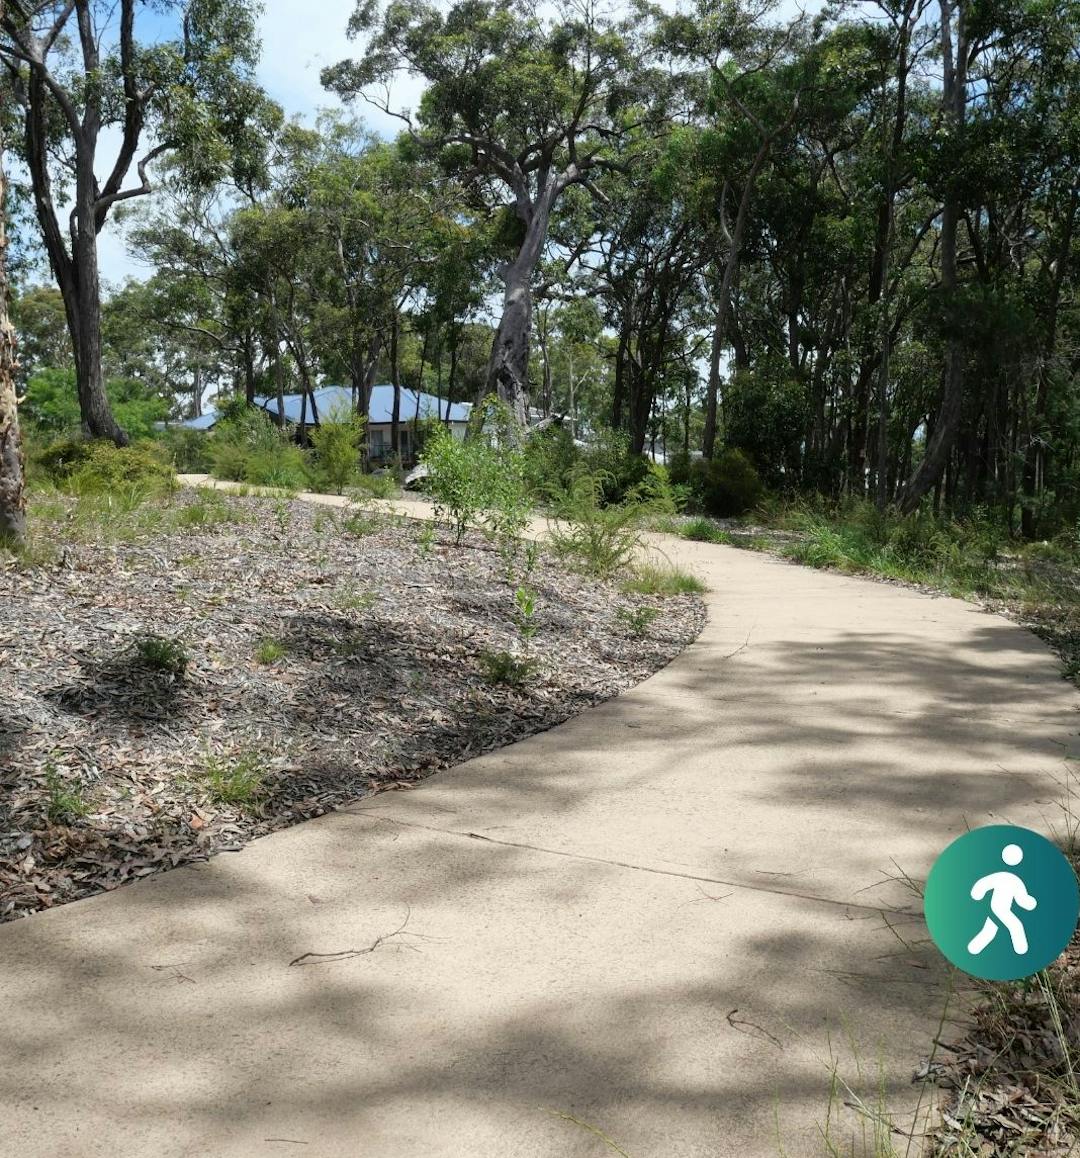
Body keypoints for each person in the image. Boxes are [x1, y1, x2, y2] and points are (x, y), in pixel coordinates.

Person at [967, 843, 1037, 956]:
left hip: (997, 908)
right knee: (1016, 926)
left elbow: (983, 884)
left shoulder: (1007, 878)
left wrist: (978, 893)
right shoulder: (1014, 880)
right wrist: (1029, 903)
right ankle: (1022, 951)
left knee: (990, 930)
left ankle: (973, 949)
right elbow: (1021, 899)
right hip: (999, 909)